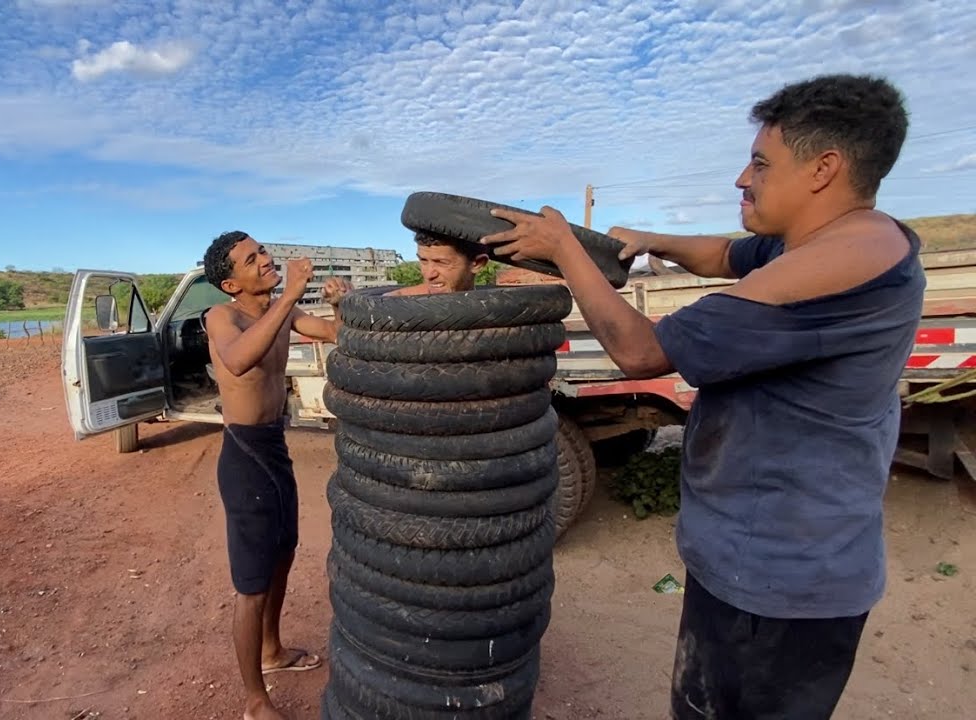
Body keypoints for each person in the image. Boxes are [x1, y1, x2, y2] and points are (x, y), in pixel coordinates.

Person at [479, 74, 922, 719]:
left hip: (772, 578)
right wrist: (649, 240)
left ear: (824, 168)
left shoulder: (820, 277)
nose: (744, 179)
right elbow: (723, 253)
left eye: (761, 163)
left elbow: (641, 352)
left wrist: (565, 251)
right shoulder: (863, 236)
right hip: (798, 554)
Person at [200, 230, 351, 720]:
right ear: (230, 283)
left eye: (262, 251)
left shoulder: (277, 311)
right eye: (252, 258)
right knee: (252, 584)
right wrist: (289, 293)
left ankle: (272, 649)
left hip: (275, 444)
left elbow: (335, 335)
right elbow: (239, 360)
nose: (265, 260)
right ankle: (254, 701)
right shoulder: (221, 316)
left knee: (283, 554)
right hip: (243, 455)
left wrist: (336, 305)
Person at [388, 230, 490, 295]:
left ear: (478, 263)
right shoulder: (396, 301)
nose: (428, 275)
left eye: (441, 262)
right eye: (423, 260)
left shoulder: (496, 310)